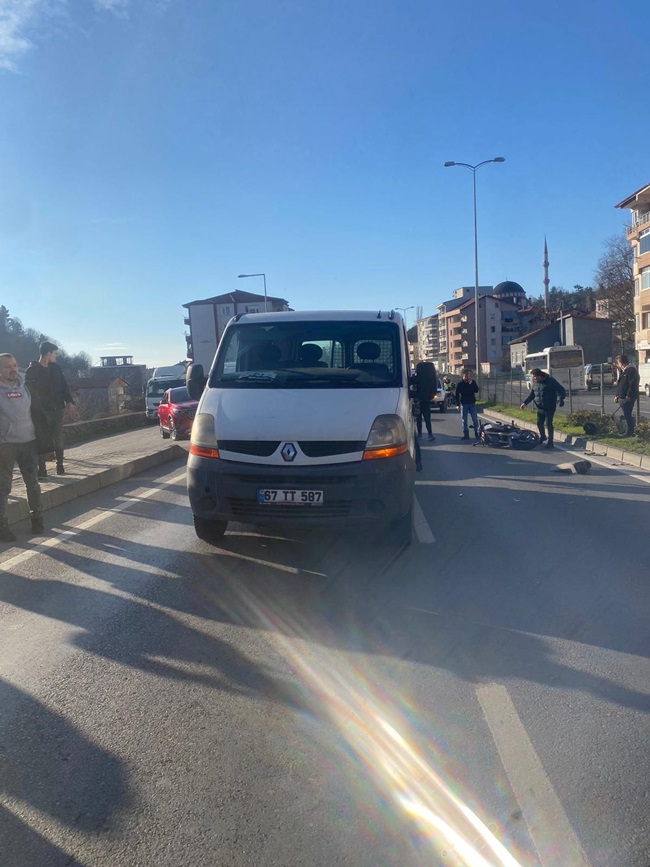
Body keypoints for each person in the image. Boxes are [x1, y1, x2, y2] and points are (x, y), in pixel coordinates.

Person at [0, 353, 44, 542]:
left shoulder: (27, 385)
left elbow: (38, 411)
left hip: (29, 442)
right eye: (7, 366)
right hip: (5, 445)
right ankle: (2, 527)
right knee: (3, 487)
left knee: (32, 483)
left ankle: (37, 519)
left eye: (15, 365)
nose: (13, 369)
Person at [25, 341, 75, 478]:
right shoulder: (32, 371)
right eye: (54, 354)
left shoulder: (56, 369)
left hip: (58, 408)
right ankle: (42, 470)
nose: (55, 356)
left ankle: (60, 466)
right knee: (41, 439)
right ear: (48, 353)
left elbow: (64, 386)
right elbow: (29, 392)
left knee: (58, 438)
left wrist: (69, 401)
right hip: (41, 411)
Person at [521, 367, 566, 449]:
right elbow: (532, 395)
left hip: (549, 406)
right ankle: (543, 436)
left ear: (540, 375)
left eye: (535, 377)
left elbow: (561, 389)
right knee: (539, 423)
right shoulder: (535, 383)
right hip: (540, 407)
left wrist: (561, 398)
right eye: (533, 377)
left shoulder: (551, 381)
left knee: (549, 423)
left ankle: (550, 442)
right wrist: (525, 403)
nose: (534, 378)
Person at [614, 354, 640, 437]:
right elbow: (620, 384)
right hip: (622, 397)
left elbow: (632, 384)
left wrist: (628, 396)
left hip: (627, 397)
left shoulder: (631, 370)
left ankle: (630, 432)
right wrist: (617, 395)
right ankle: (627, 430)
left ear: (621, 363)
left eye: (618, 363)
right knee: (626, 414)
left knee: (627, 414)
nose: (618, 365)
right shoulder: (623, 371)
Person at [411, 361, 437, 441]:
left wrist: (412, 394)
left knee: (419, 419)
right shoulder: (430, 379)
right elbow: (434, 388)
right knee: (427, 419)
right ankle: (430, 434)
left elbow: (410, 382)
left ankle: (420, 434)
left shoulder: (417, 378)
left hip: (418, 401)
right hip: (426, 401)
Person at [455, 369, 480, 440]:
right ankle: (466, 434)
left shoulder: (472, 382)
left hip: (472, 403)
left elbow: (476, 390)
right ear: (462, 376)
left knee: (475, 419)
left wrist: (472, 384)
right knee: (464, 420)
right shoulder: (460, 384)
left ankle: (477, 433)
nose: (466, 377)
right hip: (464, 404)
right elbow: (457, 394)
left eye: (467, 375)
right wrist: (457, 404)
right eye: (465, 375)